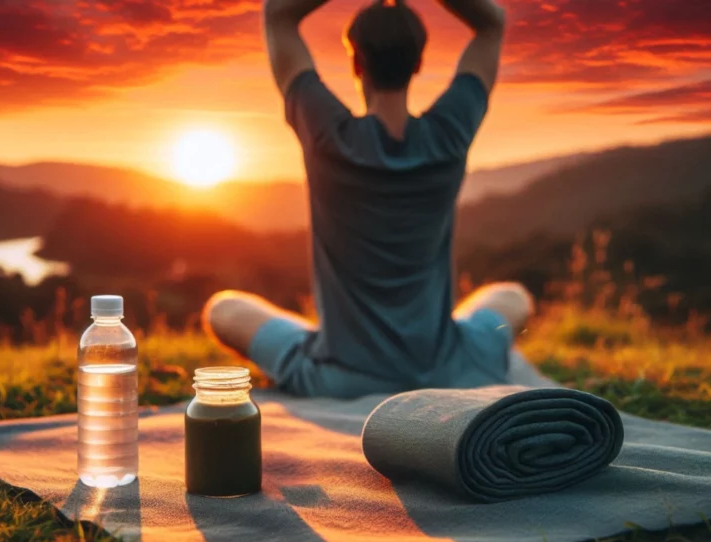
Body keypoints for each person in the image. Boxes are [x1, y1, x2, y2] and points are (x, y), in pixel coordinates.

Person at [203, 0, 533, 397]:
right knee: (512, 297)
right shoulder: (449, 135)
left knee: (223, 309)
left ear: (357, 63)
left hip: (341, 376)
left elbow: (278, 14)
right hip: (445, 368)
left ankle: (327, 339)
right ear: (418, 64)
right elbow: (491, 22)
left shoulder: (329, 135)